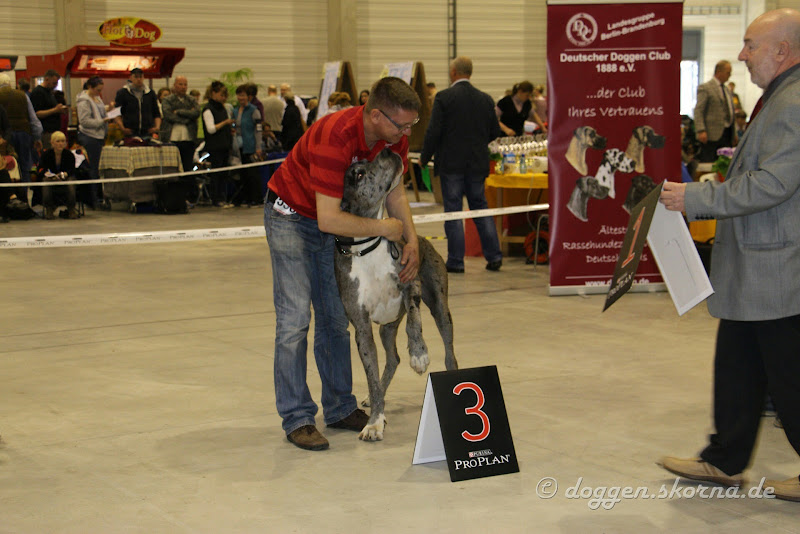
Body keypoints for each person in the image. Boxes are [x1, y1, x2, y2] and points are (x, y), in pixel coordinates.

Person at [658, 8, 800, 503]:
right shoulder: (779, 98)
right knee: (738, 363)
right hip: (759, 264)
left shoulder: (794, 101)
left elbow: (775, 184)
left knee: (788, 373)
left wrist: (696, 198)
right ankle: (724, 460)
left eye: (750, 45)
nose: (741, 55)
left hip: (776, 267)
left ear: (782, 50)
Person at [264, 76, 421, 451]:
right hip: (292, 219)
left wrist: (412, 238)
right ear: (375, 115)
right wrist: (384, 228)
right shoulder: (335, 136)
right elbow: (328, 220)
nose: (407, 132)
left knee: (336, 317)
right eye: (402, 125)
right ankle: (298, 417)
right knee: (295, 320)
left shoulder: (394, 135)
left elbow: (395, 190)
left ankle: (339, 407)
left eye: (411, 125)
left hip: (334, 222)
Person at [420, 56, 503, 273]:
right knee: (480, 209)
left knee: (453, 211)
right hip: (477, 163)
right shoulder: (485, 99)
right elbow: (495, 131)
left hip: (451, 164)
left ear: (453, 73)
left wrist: (425, 156)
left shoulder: (444, 98)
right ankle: (494, 256)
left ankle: (456, 261)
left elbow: (434, 131)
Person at [0, 72, 43, 203]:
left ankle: (9, 198)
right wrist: (37, 137)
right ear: (10, 83)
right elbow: (33, 118)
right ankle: (24, 199)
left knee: (7, 166)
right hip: (24, 133)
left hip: (5, 136)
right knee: (25, 166)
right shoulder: (22, 95)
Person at [75, 76, 111, 208]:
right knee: (93, 169)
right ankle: (93, 199)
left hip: (99, 136)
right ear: (90, 87)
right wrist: (102, 121)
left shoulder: (96, 98)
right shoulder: (84, 101)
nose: (99, 92)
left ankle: (98, 197)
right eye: (97, 90)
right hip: (90, 137)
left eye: (101, 90)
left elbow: (98, 112)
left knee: (98, 169)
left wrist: (108, 109)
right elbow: (84, 121)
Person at [694, 60, 736, 162]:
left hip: (727, 133)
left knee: (725, 163)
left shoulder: (726, 90)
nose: (729, 75)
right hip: (711, 134)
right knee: (709, 162)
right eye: (728, 72)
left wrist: (734, 132)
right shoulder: (706, 88)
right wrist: (701, 130)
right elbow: (699, 110)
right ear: (719, 72)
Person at [160, 75, 201, 179]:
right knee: (173, 167)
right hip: (172, 139)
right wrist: (187, 117)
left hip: (189, 139)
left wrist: (179, 112)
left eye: (185, 85)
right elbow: (168, 115)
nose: (183, 87)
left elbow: (196, 112)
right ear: (174, 85)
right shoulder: (167, 100)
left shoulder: (191, 99)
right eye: (180, 84)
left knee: (187, 167)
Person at [202, 81, 235, 207]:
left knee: (223, 174)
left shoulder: (222, 108)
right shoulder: (208, 109)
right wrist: (225, 123)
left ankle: (223, 198)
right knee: (216, 174)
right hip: (215, 146)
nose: (224, 98)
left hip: (225, 145)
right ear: (213, 93)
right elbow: (211, 129)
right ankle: (216, 199)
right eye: (221, 95)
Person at [233, 83, 263, 206]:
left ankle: (256, 198)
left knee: (253, 174)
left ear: (248, 96)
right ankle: (246, 198)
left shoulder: (254, 110)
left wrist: (258, 147)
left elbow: (258, 130)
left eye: (243, 95)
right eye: (239, 95)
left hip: (251, 145)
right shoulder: (235, 111)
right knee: (243, 175)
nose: (241, 98)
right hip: (239, 146)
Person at [37, 131, 77, 219]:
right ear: (52, 143)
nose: (60, 143)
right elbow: (41, 168)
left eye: (63, 141)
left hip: (65, 178)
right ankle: (49, 209)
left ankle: (71, 209)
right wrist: (48, 174)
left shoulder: (69, 155)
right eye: (58, 141)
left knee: (71, 182)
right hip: (51, 178)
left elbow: (72, 169)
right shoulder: (46, 154)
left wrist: (66, 174)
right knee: (45, 182)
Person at [114, 68, 161, 138]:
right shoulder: (123, 93)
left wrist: (157, 127)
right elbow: (116, 113)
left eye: (141, 77)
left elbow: (156, 113)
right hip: (129, 132)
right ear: (130, 78)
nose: (139, 79)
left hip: (147, 132)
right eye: (136, 77)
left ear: (143, 78)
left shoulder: (150, 93)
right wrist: (122, 128)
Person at [30, 70, 67, 149]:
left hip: (53, 131)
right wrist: (55, 110)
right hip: (45, 132)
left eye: (57, 83)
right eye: (54, 83)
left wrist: (59, 109)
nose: (55, 85)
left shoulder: (50, 92)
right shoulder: (38, 92)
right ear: (46, 79)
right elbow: (37, 114)